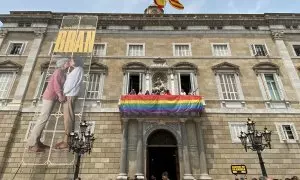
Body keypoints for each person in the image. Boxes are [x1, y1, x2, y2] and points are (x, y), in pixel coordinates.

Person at [27, 58, 70, 152]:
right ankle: (32, 144)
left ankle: (37, 142)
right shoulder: (58, 72)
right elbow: (56, 85)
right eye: (67, 62)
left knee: (44, 118)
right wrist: (60, 95)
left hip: (53, 97)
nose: (69, 63)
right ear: (63, 64)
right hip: (49, 97)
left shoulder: (63, 73)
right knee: (43, 118)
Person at [55, 56, 84, 149]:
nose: (70, 62)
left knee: (68, 118)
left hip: (69, 95)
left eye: (71, 60)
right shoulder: (77, 70)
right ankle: (66, 140)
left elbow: (71, 84)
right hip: (70, 94)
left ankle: (67, 141)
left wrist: (63, 94)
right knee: (68, 117)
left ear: (75, 62)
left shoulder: (78, 70)